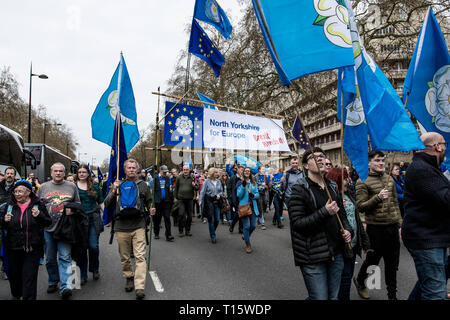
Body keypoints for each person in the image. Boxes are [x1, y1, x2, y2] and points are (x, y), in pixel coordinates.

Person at [288, 147, 352, 300]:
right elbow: (297, 223)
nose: (321, 159)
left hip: (335, 253)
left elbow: (342, 217)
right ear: (306, 165)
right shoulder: (299, 189)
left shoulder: (332, 187)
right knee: (319, 297)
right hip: (313, 255)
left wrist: (349, 231)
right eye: (314, 157)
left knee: (333, 297)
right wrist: (324, 212)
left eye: (323, 156)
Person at [402, 132, 450, 300]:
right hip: (426, 239)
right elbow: (445, 199)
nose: (445, 148)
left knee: (429, 285)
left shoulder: (428, 168)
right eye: (444, 144)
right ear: (437, 146)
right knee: (435, 292)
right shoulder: (422, 169)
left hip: (433, 236)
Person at [104, 159, 155, 300]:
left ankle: (139, 286)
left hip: (139, 225)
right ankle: (128, 276)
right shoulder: (117, 185)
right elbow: (107, 203)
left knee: (140, 256)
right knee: (125, 257)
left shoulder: (143, 185)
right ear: (125, 170)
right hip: (121, 227)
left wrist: (151, 208)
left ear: (137, 170)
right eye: (129, 168)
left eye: (134, 168)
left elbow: (150, 200)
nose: (131, 170)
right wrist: (114, 190)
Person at [353, 150, 402, 300]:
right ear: (369, 163)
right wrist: (378, 197)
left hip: (392, 227)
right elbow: (361, 206)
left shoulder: (389, 179)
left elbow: (395, 203)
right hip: (376, 229)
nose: (381, 163)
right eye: (377, 161)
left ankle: (392, 296)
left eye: (382, 160)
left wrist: (399, 224)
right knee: (373, 260)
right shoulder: (362, 181)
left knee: (392, 264)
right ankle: (361, 281)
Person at [0, 180, 52, 299]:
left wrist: (39, 215)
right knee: (14, 276)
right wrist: (4, 220)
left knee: (29, 277)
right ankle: (17, 294)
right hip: (13, 248)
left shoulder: (38, 205)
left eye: (20, 191)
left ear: (28, 192)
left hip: (32, 248)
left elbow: (48, 222)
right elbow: (2, 224)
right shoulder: (9, 206)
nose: (17, 194)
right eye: (15, 191)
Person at [325, 168, 370, 301]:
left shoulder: (349, 194)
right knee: (343, 282)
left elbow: (357, 220)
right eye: (344, 178)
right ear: (337, 180)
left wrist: (365, 241)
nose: (348, 181)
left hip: (353, 243)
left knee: (347, 278)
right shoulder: (331, 197)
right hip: (341, 246)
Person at [37, 162, 80, 299]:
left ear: (64, 173)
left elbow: (78, 204)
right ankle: (53, 281)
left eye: (61, 171)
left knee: (64, 257)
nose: (58, 173)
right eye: (55, 171)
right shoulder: (43, 187)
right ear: (51, 173)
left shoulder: (71, 186)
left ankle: (66, 286)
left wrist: (72, 209)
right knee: (49, 259)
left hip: (65, 229)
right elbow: (37, 205)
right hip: (47, 229)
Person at [73, 164, 104, 284]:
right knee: (81, 249)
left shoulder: (95, 186)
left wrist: (106, 218)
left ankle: (95, 269)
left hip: (93, 219)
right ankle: (83, 274)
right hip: (79, 220)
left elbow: (101, 202)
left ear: (88, 174)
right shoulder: (73, 186)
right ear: (77, 173)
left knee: (93, 246)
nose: (81, 174)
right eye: (79, 172)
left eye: (84, 172)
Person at [236, 167, 260, 254]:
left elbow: (257, 194)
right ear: (243, 173)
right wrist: (243, 186)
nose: (247, 172)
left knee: (253, 226)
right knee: (246, 226)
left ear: (250, 173)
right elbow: (239, 196)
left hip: (253, 207)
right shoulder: (239, 182)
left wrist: (253, 195)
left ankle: (246, 236)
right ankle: (248, 244)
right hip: (244, 207)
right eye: (245, 171)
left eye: (248, 171)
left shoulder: (253, 182)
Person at [199, 168, 223, 244]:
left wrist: (219, 194)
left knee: (217, 220)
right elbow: (203, 192)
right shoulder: (206, 181)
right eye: (216, 172)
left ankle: (212, 231)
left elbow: (221, 191)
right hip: (209, 202)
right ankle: (213, 236)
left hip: (217, 202)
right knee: (211, 220)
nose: (217, 173)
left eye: (217, 172)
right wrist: (200, 200)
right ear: (212, 173)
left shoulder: (219, 181)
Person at [174, 165, 198, 237]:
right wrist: (175, 197)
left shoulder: (192, 177)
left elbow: (197, 188)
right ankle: (181, 231)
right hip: (181, 199)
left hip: (190, 199)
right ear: (183, 170)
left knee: (190, 216)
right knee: (181, 214)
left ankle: (187, 230)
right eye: (184, 170)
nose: (185, 171)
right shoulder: (179, 178)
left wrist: (194, 186)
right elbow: (176, 188)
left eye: (187, 170)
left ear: (189, 170)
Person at [153, 165, 174, 242]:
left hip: (166, 201)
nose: (166, 173)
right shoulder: (155, 178)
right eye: (164, 172)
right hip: (158, 202)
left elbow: (170, 189)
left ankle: (168, 235)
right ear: (160, 171)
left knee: (167, 218)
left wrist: (171, 195)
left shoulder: (168, 178)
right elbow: (153, 190)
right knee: (157, 218)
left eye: (166, 172)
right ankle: (156, 233)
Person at [227, 165, 244, 234]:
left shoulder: (244, 179)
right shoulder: (232, 178)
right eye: (241, 170)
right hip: (235, 198)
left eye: (243, 170)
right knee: (237, 213)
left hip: (242, 198)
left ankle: (240, 228)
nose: (242, 171)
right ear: (237, 170)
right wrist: (230, 197)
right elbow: (229, 188)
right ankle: (232, 224)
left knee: (242, 213)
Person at [255, 166, 268, 230]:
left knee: (262, 207)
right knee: (260, 208)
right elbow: (253, 186)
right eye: (263, 169)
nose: (264, 170)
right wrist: (257, 188)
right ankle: (262, 223)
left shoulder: (265, 177)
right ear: (259, 170)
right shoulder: (255, 176)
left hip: (264, 194)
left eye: (264, 169)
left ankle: (258, 220)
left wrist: (265, 186)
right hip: (258, 194)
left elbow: (268, 186)